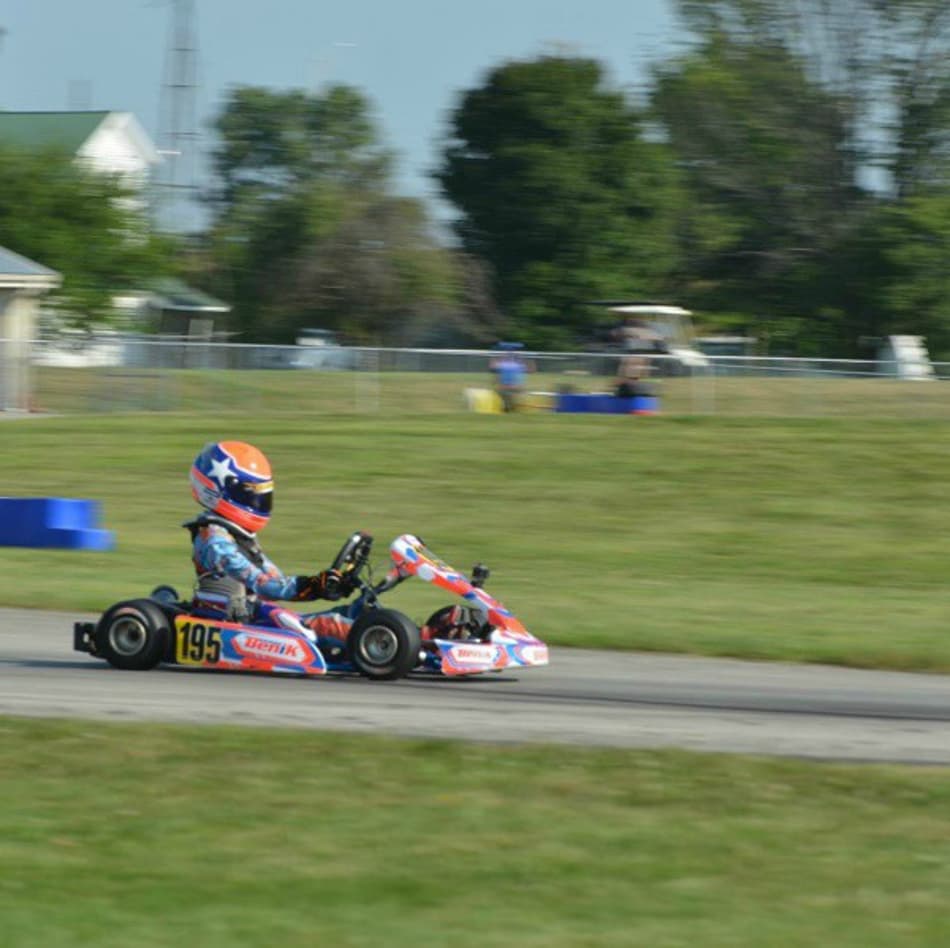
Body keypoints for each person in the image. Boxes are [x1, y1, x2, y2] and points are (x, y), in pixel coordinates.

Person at [184, 440, 354, 645]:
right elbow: (262, 584)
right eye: (251, 493)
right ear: (216, 490)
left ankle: (376, 635)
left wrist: (325, 585)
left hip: (254, 614)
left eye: (262, 494)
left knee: (350, 613)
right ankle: (378, 646)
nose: (258, 501)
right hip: (239, 621)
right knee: (332, 625)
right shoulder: (215, 541)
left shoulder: (238, 535)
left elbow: (274, 579)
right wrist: (312, 586)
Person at [490, 342, 533, 412]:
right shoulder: (518, 365)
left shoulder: (505, 365)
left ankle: (509, 405)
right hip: (515, 386)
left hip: (513, 387)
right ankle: (509, 405)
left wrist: (493, 357)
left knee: (502, 390)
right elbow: (530, 370)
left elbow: (493, 367)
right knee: (503, 390)